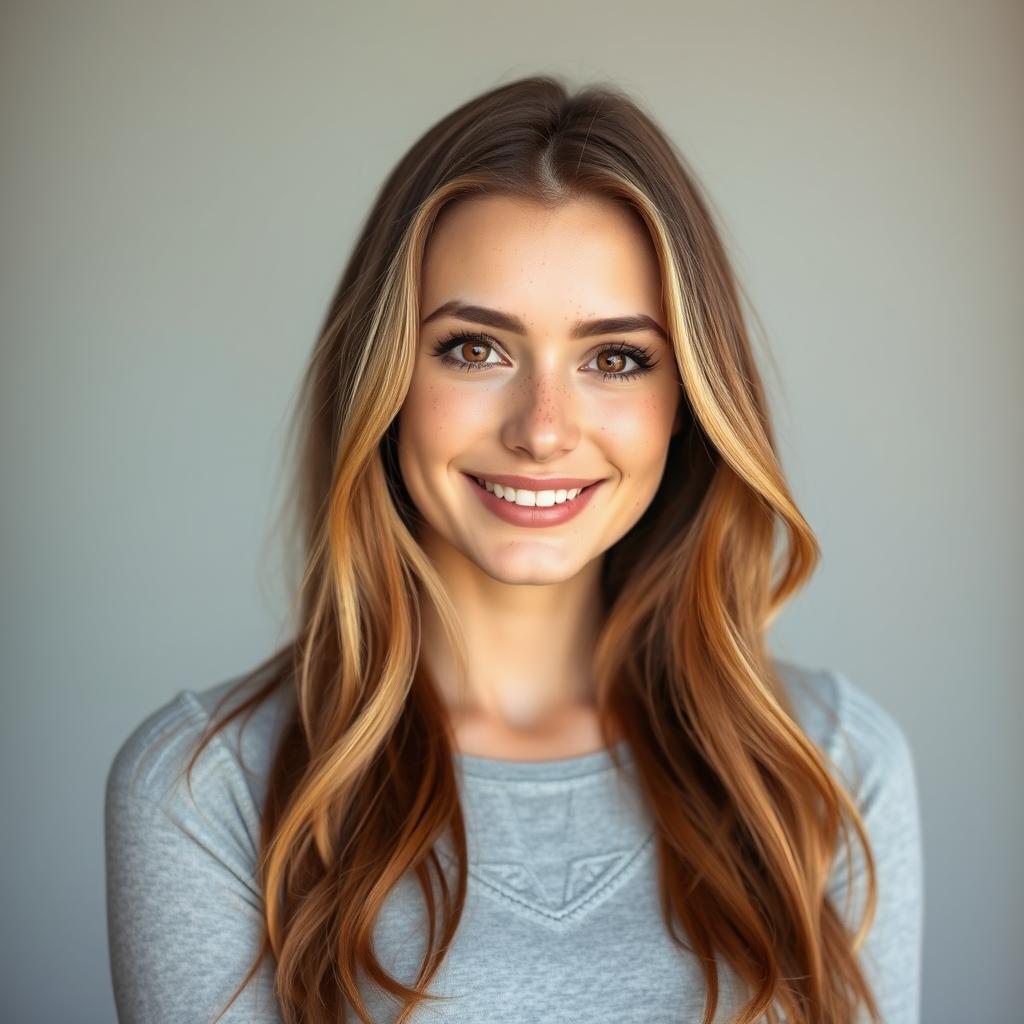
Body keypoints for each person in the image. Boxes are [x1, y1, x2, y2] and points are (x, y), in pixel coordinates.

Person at [104, 75, 924, 1024]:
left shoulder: (831, 765)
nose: (542, 431)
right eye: (474, 349)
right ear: (384, 378)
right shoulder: (208, 790)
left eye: (615, 358)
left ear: (689, 404)